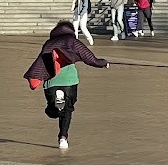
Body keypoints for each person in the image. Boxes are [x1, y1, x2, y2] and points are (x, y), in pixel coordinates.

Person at [22, 20, 108, 150]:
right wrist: (103, 63)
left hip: (52, 81)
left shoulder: (49, 43)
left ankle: (55, 106)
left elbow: (41, 62)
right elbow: (88, 57)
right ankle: (63, 138)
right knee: (67, 110)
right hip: (69, 81)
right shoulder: (72, 41)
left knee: (52, 111)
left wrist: (35, 76)